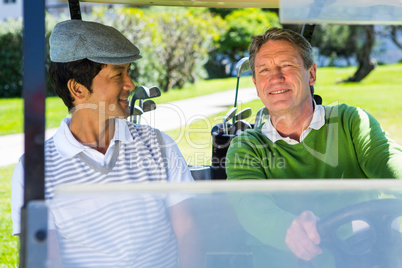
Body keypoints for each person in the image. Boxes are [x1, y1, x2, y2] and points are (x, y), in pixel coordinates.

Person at [11, 20, 202, 268]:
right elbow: (45, 259)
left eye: (128, 72)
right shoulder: (34, 169)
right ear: (77, 89)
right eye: (118, 74)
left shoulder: (159, 145)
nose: (130, 85)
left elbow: (189, 232)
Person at [225, 27, 402, 267]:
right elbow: (250, 206)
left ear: (311, 74)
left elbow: (390, 163)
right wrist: (288, 228)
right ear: (256, 85)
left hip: (364, 258)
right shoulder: (246, 147)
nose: (275, 77)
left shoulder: (351, 122)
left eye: (286, 65)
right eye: (264, 70)